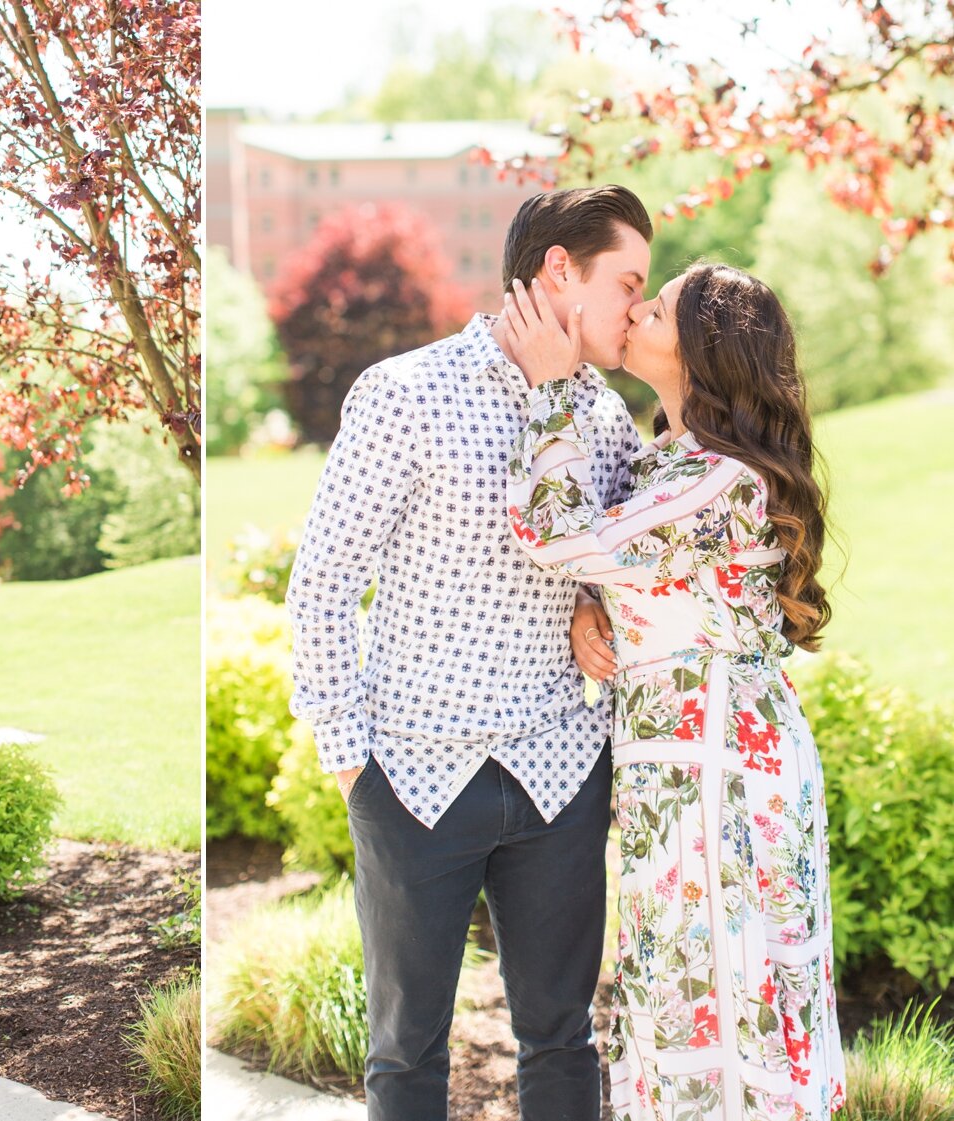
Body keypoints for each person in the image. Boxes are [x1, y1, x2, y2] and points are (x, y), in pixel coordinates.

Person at [286, 185, 653, 1120]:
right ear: (559, 272)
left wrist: (584, 601)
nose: (638, 312)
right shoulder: (407, 394)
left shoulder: (607, 421)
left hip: (559, 773)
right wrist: (349, 758)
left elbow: (606, 562)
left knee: (564, 1039)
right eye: (627, 283)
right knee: (405, 1053)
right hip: (411, 777)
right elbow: (324, 578)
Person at [502, 262, 846, 1118]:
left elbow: (560, 536)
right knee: (678, 1005)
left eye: (655, 308)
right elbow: (628, 568)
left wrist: (548, 388)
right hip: (672, 775)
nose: (636, 312)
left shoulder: (724, 480)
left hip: (724, 772)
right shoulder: (669, 463)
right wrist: (592, 603)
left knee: (733, 1008)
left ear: (701, 350)